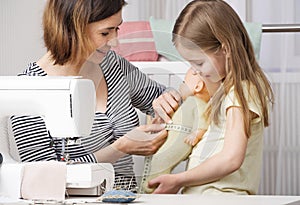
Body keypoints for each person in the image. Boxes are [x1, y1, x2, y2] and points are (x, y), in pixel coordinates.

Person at [10, 0, 168, 191]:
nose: (115, 41)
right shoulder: (28, 92)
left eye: (117, 29)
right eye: (105, 33)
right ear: (72, 28)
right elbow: (44, 179)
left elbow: (159, 97)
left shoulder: (112, 65)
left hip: (127, 197)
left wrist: (168, 100)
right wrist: (119, 149)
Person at [149, 0, 274, 195]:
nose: (194, 71)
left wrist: (178, 180)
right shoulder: (223, 92)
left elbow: (232, 158)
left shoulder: (242, 92)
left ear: (225, 49)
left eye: (199, 63)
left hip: (220, 195)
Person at [139, 68, 210, 194]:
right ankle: (151, 187)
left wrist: (197, 133)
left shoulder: (198, 103)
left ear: (198, 87)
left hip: (181, 141)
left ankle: (151, 189)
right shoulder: (188, 103)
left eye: (184, 82)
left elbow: (203, 120)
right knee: (158, 160)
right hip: (173, 138)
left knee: (162, 161)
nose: (180, 86)